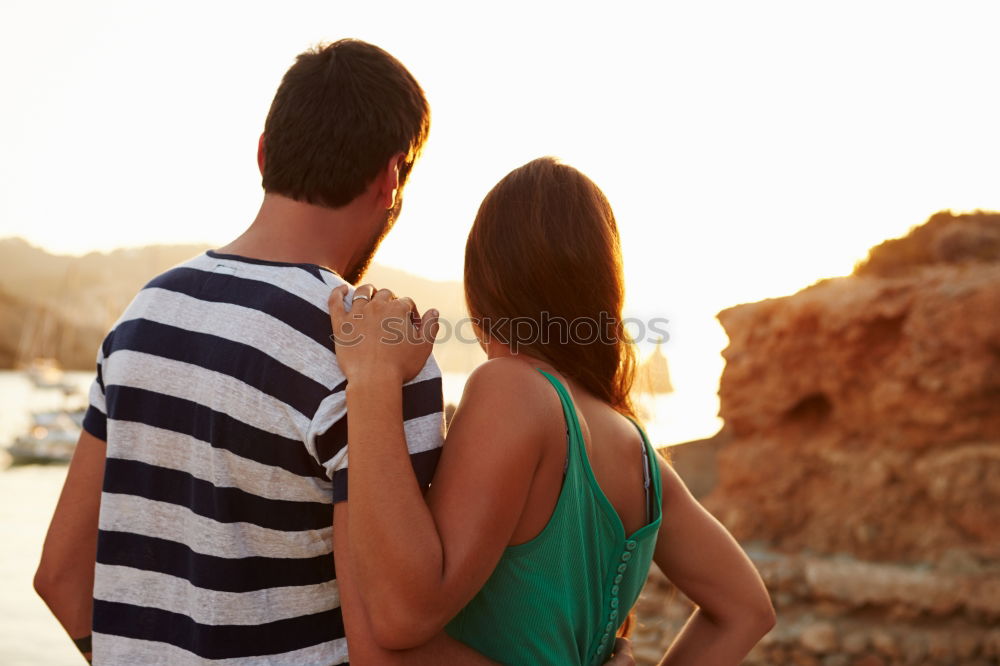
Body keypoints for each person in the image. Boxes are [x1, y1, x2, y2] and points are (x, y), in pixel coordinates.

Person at [33, 39, 634, 665]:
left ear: (263, 154)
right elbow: (386, 638)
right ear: (390, 179)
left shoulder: (142, 317)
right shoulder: (376, 351)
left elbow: (60, 578)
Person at [328, 157, 777, 665]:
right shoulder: (639, 452)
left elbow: (399, 620)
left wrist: (372, 380)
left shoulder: (514, 389)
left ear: (482, 287)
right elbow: (747, 609)